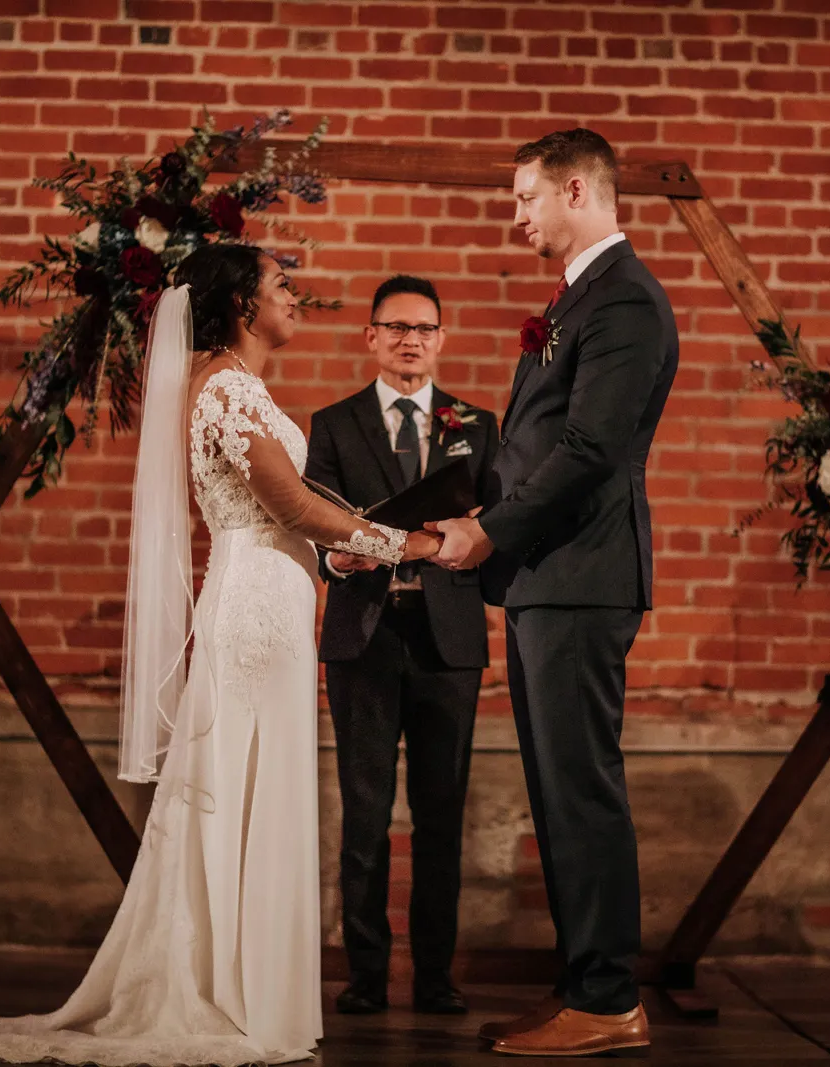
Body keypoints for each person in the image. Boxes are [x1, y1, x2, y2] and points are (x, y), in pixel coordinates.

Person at [0, 244, 440, 1065]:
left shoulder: (228, 383)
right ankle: (230, 988)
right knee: (247, 785)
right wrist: (413, 543)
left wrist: (345, 552)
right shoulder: (228, 387)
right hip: (255, 610)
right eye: (282, 284)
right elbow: (290, 502)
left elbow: (293, 514)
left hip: (268, 596)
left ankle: (243, 981)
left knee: (259, 784)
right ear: (244, 306)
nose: (298, 296)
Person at [432, 128, 678, 1058]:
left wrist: (491, 527)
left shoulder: (625, 303)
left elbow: (591, 451)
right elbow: (536, 444)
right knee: (557, 788)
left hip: (581, 576)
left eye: (526, 197)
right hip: (549, 576)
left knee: (580, 789)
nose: (517, 214)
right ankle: (584, 988)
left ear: (577, 189)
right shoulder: (583, 299)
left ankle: (610, 997)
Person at [303, 275, 498, 1017]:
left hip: (448, 636)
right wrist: (338, 555)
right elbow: (316, 524)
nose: (411, 339)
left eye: (424, 328)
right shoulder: (335, 422)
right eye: (396, 327)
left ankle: (437, 976)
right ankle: (365, 974)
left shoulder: (476, 424)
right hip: (365, 633)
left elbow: (497, 522)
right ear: (372, 337)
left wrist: (476, 536)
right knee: (364, 812)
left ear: (441, 339)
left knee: (441, 813)